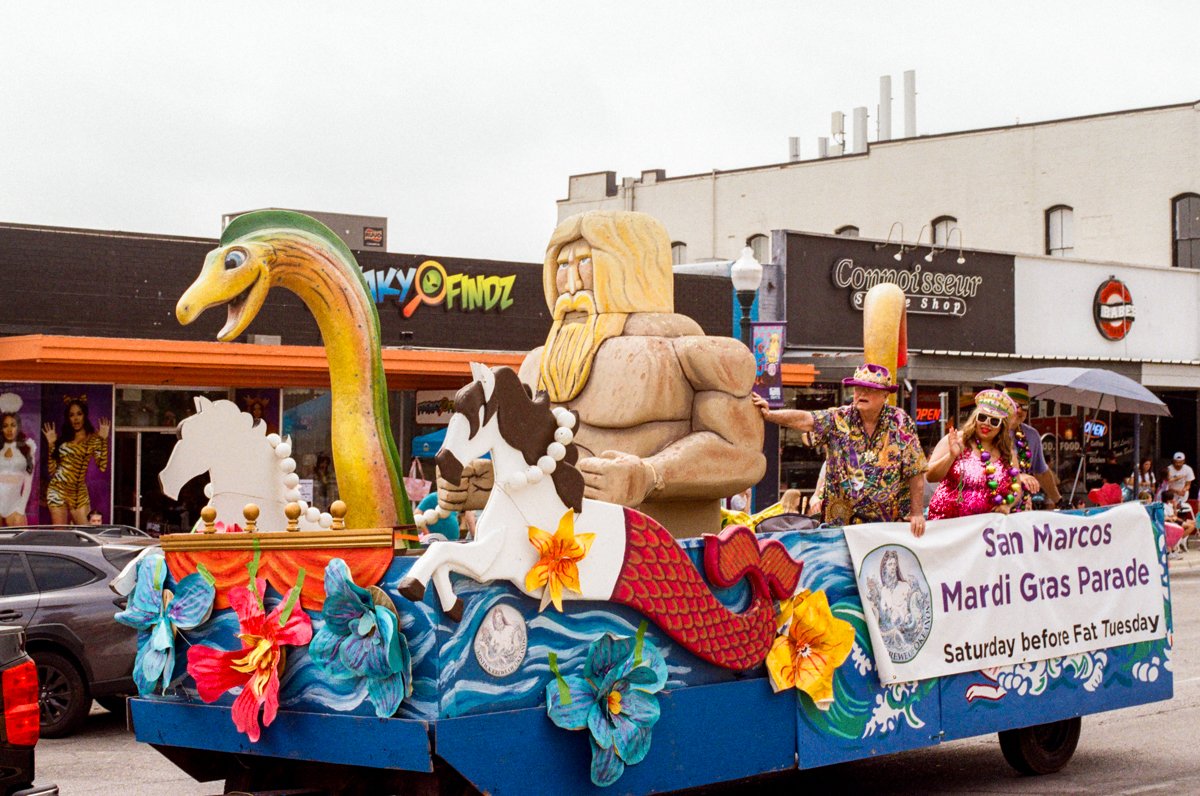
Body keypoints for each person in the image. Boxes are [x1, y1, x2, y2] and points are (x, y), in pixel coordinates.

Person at [441, 211, 764, 536]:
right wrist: (493, 482)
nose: (570, 282)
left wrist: (650, 475)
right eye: (562, 265)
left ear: (634, 268)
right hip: (552, 551)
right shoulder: (538, 365)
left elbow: (742, 454)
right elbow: (542, 461)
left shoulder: (690, 354)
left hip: (658, 552)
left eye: (584, 261)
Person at [752, 363, 928, 537]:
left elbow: (915, 470)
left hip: (887, 527)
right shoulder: (839, 418)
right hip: (840, 527)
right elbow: (806, 419)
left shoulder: (900, 422)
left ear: (885, 395)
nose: (862, 393)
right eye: (858, 388)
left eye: (870, 389)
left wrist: (917, 513)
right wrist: (770, 414)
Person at [926, 390, 1022, 520]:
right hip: (948, 525)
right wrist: (951, 456)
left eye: (994, 421)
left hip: (985, 529)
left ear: (1002, 427)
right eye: (982, 417)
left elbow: (1016, 488)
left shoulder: (1007, 452)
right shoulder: (957, 439)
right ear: (975, 418)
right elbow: (930, 476)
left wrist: (1008, 505)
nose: (986, 423)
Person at [43, 397, 109, 525]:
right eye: (71, 415)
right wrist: (51, 444)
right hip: (58, 490)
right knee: (60, 535)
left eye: (79, 414)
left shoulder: (94, 439)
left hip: (79, 493)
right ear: (68, 418)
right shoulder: (63, 439)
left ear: (85, 415)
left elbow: (102, 466)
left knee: (86, 534)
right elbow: (52, 470)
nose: (76, 418)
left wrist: (104, 440)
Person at [1001, 384, 1059, 509]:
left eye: (1024, 406)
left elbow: (1042, 473)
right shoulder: (990, 429)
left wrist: (1059, 501)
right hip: (992, 510)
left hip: (1022, 511)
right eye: (1015, 405)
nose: (1020, 410)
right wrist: (1017, 477)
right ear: (1004, 406)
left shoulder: (1031, 435)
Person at [0, 395, 36, 526]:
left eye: (13, 425)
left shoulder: (27, 449)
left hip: (15, 506)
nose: (9, 429)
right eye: (5, 426)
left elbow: (28, 483)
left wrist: (21, 510)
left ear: (18, 426)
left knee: (19, 544)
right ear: (1, 428)